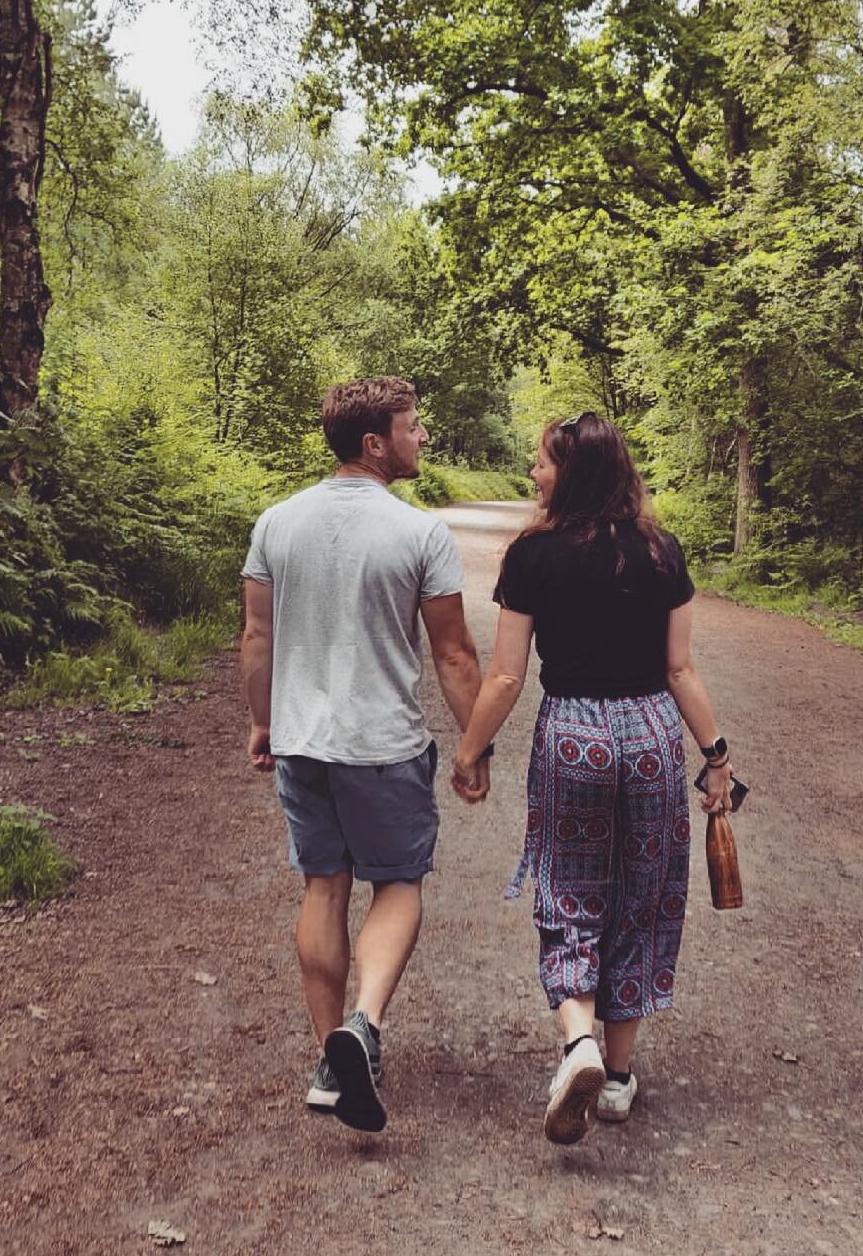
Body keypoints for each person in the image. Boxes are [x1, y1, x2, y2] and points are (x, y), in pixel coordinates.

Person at [450, 412, 735, 1145]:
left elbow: (509, 674)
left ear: (570, 472)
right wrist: (716, 755)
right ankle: (615, 1077)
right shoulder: (660, 551)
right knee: (641, 894)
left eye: (541, 463)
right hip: (648, 736)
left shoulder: (533, 557)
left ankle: (577, 1039)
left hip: (573, 733)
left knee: (569, 886)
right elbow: (680, 670)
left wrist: (470, 750)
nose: (533, 474)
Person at [241, 377, 484, 1133]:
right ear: (375, 443)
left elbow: (256, 638)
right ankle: (365, 1026)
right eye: (412, 428)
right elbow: (454, 656)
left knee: (323, 887)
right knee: (399, 884)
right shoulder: (419, 534)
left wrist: (263, 722)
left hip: (304, 743)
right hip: (382, 747)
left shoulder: (276, 523)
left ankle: (328, 1060)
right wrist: (474, 745)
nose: (421, 439)